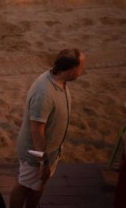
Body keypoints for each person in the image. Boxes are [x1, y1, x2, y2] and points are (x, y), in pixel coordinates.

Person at [10, 48, 86, 208]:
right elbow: (37, 131)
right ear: (72, 70)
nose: (83, 71)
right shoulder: (43, 93)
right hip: (36, 156)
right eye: (81, 67)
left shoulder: (60, 80)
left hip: (50, 152)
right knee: (23, 187)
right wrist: (43, 162)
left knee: (39, 184)